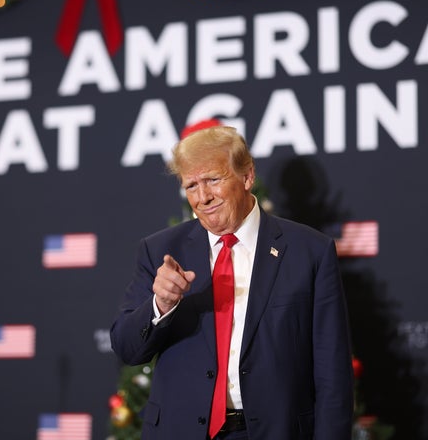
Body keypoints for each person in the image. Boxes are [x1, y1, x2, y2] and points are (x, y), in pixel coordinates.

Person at [110, 125, 354, 440]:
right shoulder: (160, 251)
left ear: (247, 176)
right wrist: (161, 305)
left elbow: (332, 370)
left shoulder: (309, 251)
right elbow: (127, 348)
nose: (203, 197)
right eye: (192, 185)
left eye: (213, 179)